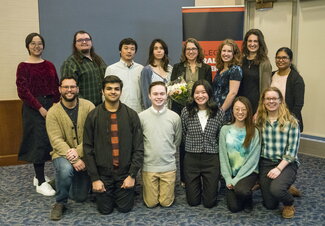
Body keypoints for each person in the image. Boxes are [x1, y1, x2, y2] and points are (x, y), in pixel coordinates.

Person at [83, 75, 144, 215]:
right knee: (105, 210)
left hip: (125, 173)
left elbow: (138, 148)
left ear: (121, 92)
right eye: (109, 88)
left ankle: (122, 190)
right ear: (102, 91)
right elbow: (88, 149)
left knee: (124, 208)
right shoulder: (93, 116)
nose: (113, 92)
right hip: (102, 174)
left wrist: (132, 175)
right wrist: (95, 179)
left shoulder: (131, 115)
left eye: (116, 89)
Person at [16, 32, 60, 196]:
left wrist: (55, 104)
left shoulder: (49, 64)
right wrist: (40, 108)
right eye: (33, 43)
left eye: (40, 43)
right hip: (33, 108)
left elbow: (56, 85)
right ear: (27, 46)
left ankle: (38, 176)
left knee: (51, 141)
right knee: (38, 143)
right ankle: (41, 182)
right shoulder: (23, 66)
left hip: (51, 105)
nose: (37, 46)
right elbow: (23, 91)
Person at [46, 76, 95, 220]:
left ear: (77, 89)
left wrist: (79, 152)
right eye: (65, 87)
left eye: (72, 87)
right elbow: (56, 140)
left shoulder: (89, 106)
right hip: (61, 154)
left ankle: (59, 181)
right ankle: (60, 202)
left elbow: (92, 134)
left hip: (85, 151)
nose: (69, 90)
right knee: (66, 169)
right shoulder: (53, 112)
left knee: (79, 197)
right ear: (60, 89)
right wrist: (74, 158)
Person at [171, 38, 212, 186]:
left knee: (202, 140)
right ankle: (184, 177)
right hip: (182, 109)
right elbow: (173, 88)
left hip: (201, 108)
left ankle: (203, 174)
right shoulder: (177, 67)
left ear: (198, 50)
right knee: (184, 142)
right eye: (188, 49)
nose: (191, 52)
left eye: (193, 49)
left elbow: (208, 89)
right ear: (184, 51)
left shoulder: (206, 68)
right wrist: (180, 101)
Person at [256, 87, 300, 219]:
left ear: (280, 100)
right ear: (263, 101)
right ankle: (285, 186)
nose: (271, 101)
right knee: (269, 205)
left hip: (286, 164)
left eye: (274, 98)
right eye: (268, 98)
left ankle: (289, 203)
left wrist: (279, 168)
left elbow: (292, 151)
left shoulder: (291, 122)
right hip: (266, 162)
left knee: (276, 190)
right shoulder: (260, 121)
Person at [181, 80, 224, 208]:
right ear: (193, 95)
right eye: (197, 93)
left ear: (209, 94)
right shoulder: (186, 111)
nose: (200, 96)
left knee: (210, 203)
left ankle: (212, 184)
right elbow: (184, 133)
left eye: (203, 92)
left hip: (211, 159)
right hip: (191, 159)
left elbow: (220, 135)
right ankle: (195, 186)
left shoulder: (218, 112)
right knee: (193, 202)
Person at [139, 81, 182, 208]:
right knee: (151, 203)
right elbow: (139, 141)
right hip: (149, 167)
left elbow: (177, 140)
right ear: (149, 96)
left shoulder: (174, 117)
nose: (159, 97)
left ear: (167, 95)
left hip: (168, 167)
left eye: (162, 93)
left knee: (166, 203)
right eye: (155, 94)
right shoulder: (141, 117)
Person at [219, 96, 261, 213]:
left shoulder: (254, 131)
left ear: (248, 111)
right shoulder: (225, 130)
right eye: (237, 109)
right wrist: (228, 178)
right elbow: (223, 157)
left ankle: (248, 195)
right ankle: (243, 191)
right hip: (231, 174)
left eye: (243, 109)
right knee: (234, 208)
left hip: (248, 172)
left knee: (242, 191)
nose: (240, 112)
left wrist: (236, 179)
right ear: (232, 110)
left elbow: (253, 160)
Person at [61, 30, 107, 106]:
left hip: (102, 106)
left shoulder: (98, 59)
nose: (84, 42)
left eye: (87, 39)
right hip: (83, 108)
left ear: (91, 43)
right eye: (80, 40)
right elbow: (69, 90)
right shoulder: (70, 63)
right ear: (75, 44)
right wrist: (84, 105)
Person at [238, 29, 272, 118]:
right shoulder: (240, 61)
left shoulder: (264, 63)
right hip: (240, 106)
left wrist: (259, 111)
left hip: (255, 108)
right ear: (246, 43)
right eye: (249, 41)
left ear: (260, 43)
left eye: (255, 41)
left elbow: (265, 90)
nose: (252, 44)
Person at [105, 38, 144, 113]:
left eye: (132, 49)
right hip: (117, 110)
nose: (129, 51)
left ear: (135, 52)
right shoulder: (111, 69)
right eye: (126, 48)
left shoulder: (141, 69)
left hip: (138, 111)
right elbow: (105, 92)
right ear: (120, 50)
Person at [271, 47, 305, 132]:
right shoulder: (271, 75)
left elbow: (298, 104)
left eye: (284, 58)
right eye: (278, 58)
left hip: (288, 122)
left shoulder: (296, 79)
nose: (280, 60)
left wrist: (288, 122)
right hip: (271, 119)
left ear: (291, 60)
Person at [213, 39, 242, 122]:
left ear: (234, 54)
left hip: (226, 112)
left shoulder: (235, 69)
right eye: (224, 51)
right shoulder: (220, 70)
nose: (226, 54)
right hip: (216, 111)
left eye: (229, 51)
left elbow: (233, 93)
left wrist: (221, 111)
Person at [140, 39, 173, 109]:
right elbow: (146, 96)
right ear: (152, 51)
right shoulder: (147, 70)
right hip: (154, 111)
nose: (159, 51)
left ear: (165, 51)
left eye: (161, 48)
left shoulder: (170, 69)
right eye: (155, 48)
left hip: (169, 111)